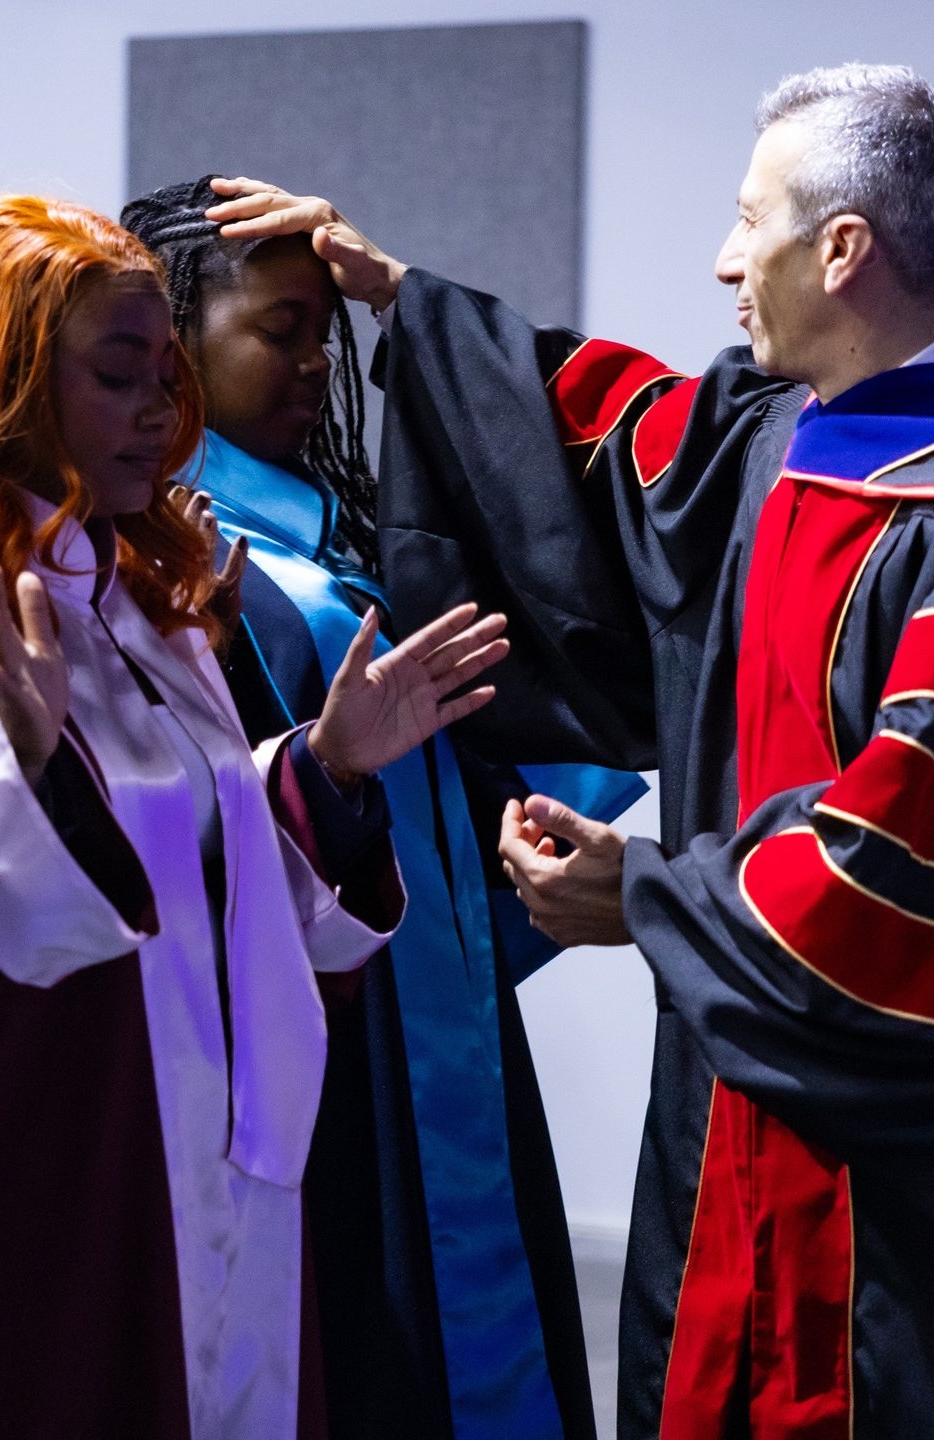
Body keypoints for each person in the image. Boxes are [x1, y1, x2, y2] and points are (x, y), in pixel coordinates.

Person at [207, 60, 934, 1439]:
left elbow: (896, 867)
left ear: (842, 250)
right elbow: (609, 427)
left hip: (879, 1149)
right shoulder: (779, 441)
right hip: (725, 1087)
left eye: (749, 220)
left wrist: (646, 896)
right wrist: (404, 304)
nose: (724, 261)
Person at [0, 193, 509, 1440]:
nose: (166, 411)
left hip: (204, 1171)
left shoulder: (144, 596)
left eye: (167, 372)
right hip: (30, 1181)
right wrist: (6, 747)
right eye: (122, 374)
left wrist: (322, 774)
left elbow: (199, 879)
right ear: (0, 378)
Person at [123, 175, 643, 1440]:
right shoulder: (171, 552)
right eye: (277, 331)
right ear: (179, 342)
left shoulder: (332, 534)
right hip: (319, 1056)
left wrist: (493, 824)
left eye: (323, 333)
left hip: (436, 1031)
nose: (313, 364)